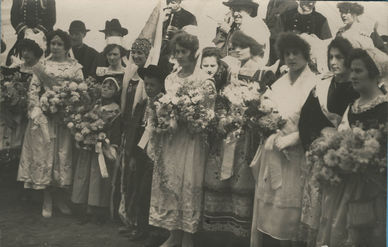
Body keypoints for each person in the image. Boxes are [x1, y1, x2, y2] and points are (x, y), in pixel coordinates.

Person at [250, 32, 318, 247]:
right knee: (272, 205)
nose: (291, 58)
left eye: (296, 53)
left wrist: (296, 137)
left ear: (305, 54)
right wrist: (266, 123)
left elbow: (316, 121)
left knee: (292, 208)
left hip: (297, 152)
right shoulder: (279, 83)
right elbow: (266, 109)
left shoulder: (315, 84)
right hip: (274, 148)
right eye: (287, 54)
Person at [149, 31, 216, 247]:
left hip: (191, 138)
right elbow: (163, 105)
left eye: (183, 51)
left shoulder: (204, 80)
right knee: (170, 182)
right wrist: (164, 114)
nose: (179, 56)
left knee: (188, 182)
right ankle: (173, 234)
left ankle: (188, 236)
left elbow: (208, 113)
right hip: (171, 138)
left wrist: (191, 116)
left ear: (194, 53)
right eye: (176, 51)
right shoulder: (170, 78)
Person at [316, 48, 388, 247]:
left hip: (373, 189)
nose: (352, 76)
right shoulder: (353, 106)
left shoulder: (385, 108)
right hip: (345, 185)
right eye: (352, 71)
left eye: (358, 71)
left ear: (375, 74)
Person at [202, 30, 268, 246]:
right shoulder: (232, 70)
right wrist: (223, 117)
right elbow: (222, 98)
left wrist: (248, 114)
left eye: (243, 46)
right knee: (220, 176)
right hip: (228, 130)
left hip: (246, 134)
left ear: (254, 47)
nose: (237, 50)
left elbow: (263, 104)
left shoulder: (262, 72)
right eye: (235, 46)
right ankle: (219, 232)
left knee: (242, 178)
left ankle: (238, 234)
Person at [297, 37, 359, 246]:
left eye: (339, 57)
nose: (333, 62)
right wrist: (313, 142)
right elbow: (306, 119)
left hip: (341, 159)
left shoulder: (356, 89)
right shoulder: (322, 86)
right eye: (330, 57)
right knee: (315, 207)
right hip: (317, 154)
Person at [17, 29, 84, 218]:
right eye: (52, 43)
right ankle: (47, 199)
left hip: (65, 119)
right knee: (46, 156)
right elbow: (33, 91)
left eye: (59, 44)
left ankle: (61, 198)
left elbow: (81, 91)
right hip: (45, 118)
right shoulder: (42, 65)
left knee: (62, 157)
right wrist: (37, 110)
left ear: (66, 47)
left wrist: (69, 106)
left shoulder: (75, 67)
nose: (55, 47)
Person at [118, 65, 167, 242]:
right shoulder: (142, 104)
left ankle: (152, 231)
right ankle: (139, 226)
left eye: (152, 85)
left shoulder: (164, 105)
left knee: (148, 192)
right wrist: (132, 154)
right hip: (141, 152)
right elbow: (134, 130)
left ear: (161, 85)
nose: (148, 88)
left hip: (155, 155)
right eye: (146, 84)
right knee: (137, 189)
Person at [71, 77, 121, 225]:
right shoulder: (95, 103)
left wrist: (108, 142)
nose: (105, 88)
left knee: (97, 177)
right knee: (84, 175)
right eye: (104, 85)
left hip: (101, 147)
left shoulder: (115, 109)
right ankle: (84, 208)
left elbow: (115, 130)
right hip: (88, 145)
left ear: (116, 92)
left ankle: (98, 210)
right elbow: (85, 119)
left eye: (110, 87)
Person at [118, 38, 153, 236]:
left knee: (140, 177)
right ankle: (130, 219)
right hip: (130, 127)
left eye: (142, 53)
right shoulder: (130, 73)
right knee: (129, 176)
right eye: (135, 53)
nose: (138, 56)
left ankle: (140, 224)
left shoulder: (148, 78)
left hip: (142, 129)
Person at [0, 38, 43, 164]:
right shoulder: (15, 68)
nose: (25, 54)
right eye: (23, 50)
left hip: (33, 108)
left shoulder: (41, 69)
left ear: (35, 52)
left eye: (29, 51)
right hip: (16, 106)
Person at [213, 0, 270, 66]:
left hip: (252, 69)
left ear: (250, 10)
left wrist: (229, 32)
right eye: (233, 10)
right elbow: (221, 50)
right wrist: (223, 32)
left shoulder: (254, 25)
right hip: (243, 67)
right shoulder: (239, 26)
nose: (235, 14)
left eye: (239, 10)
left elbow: (246, 52)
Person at [7, 0, 56, 65]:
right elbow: (14, 18)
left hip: (44, 35)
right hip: (25, 34)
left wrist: (37, 31)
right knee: (11, 60)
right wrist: (26, 30)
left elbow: (51, 18)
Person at [158, 0, 197, 75]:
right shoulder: (162, 13)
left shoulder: (189, 17)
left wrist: (179, 33)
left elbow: (193, 40)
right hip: (160, 51)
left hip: (177, 55)